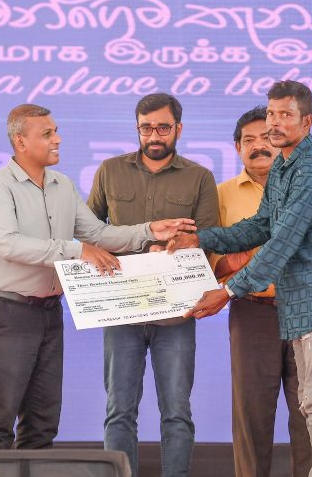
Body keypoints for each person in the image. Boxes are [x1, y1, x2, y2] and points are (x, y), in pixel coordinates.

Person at [167, 81, 312, 477]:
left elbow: (283, 242)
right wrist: (200, 238)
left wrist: (227, 290)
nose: (275, 122)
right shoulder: (284, 166)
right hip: (301, 306)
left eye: (285, 114)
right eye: (272, 113)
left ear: (307, 122)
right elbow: (260, 226)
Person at [0, 103, 196, 451]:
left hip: (50, 312)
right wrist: (77, 250)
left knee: (43, 421)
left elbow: (98, 233)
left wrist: (150, 230)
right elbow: (9, 245)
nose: (57, 139)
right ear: (20, 142)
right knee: (0, 421)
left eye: (56, 131)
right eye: (47, 134)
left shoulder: (62, 185)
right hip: (8, 312)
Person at [86, 93, 219, 477]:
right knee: (119, 411)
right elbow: (88, 231)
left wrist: (180, 248)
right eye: (146, 128)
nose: (154, 136)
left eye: (163, 127)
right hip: (122, 309)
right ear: (137, 128)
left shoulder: (199, 177)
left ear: (178, 128)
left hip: (176, 312)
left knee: (176, 412)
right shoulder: (110, 170)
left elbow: (211, 240)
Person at [214, 106, 311, 477]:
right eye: (248, 140)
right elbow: (209, 261)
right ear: (237, 148)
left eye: (266, 137)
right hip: (252, 312)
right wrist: (241, 259)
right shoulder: (221, 196)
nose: (258, 146)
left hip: (307, 311)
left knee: (311, 414)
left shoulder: (311, 186)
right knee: (251, 415)